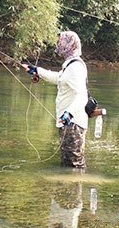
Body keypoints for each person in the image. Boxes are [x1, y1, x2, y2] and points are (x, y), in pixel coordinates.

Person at [22, 31, 99, 169]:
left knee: (74, 165)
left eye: (61, 41)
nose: (58, 43)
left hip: (73, 123)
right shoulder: (70, 64)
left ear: (70, 44)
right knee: (68, 163)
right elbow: (59, 78)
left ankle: (74, 189)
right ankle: (68, 189)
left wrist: (69, 113)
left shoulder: (75, 67)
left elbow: (81, 94)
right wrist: (37, 70)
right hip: (68, 123)